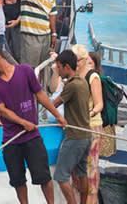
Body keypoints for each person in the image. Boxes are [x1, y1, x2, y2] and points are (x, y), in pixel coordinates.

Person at [0, 42, 66, 204]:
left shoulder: (25, 71)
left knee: (43, 177)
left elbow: (40, 95)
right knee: (18, 181)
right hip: (11, 140)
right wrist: (23, 122)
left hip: (32, 137)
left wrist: (57, 115)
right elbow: (2, 110)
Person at [50, 50, 91, 204]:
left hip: (74, 138)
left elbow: (54, 105)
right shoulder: (82, 82)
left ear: (67, 67)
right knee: (82, 172)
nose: (58, 70)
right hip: (86, 136)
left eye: (59, 67)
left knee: (61, 176)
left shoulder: (72, 85)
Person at [73, 45, 103, 204]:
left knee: (90, 168)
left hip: (91, 125)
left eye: (76, 60)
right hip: (75, 127)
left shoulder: (93, 77)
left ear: (84, 60)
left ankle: (91, 200)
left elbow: (99, 104)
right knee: (77, 168)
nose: (74, 63)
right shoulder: (72, 76)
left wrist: (88, 114)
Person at [13, 0, 59, 69]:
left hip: (46, 36)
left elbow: (52, 15)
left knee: (42, 67)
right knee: (29, 68)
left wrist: (54, 34)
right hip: (30, 35)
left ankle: (39, 86)